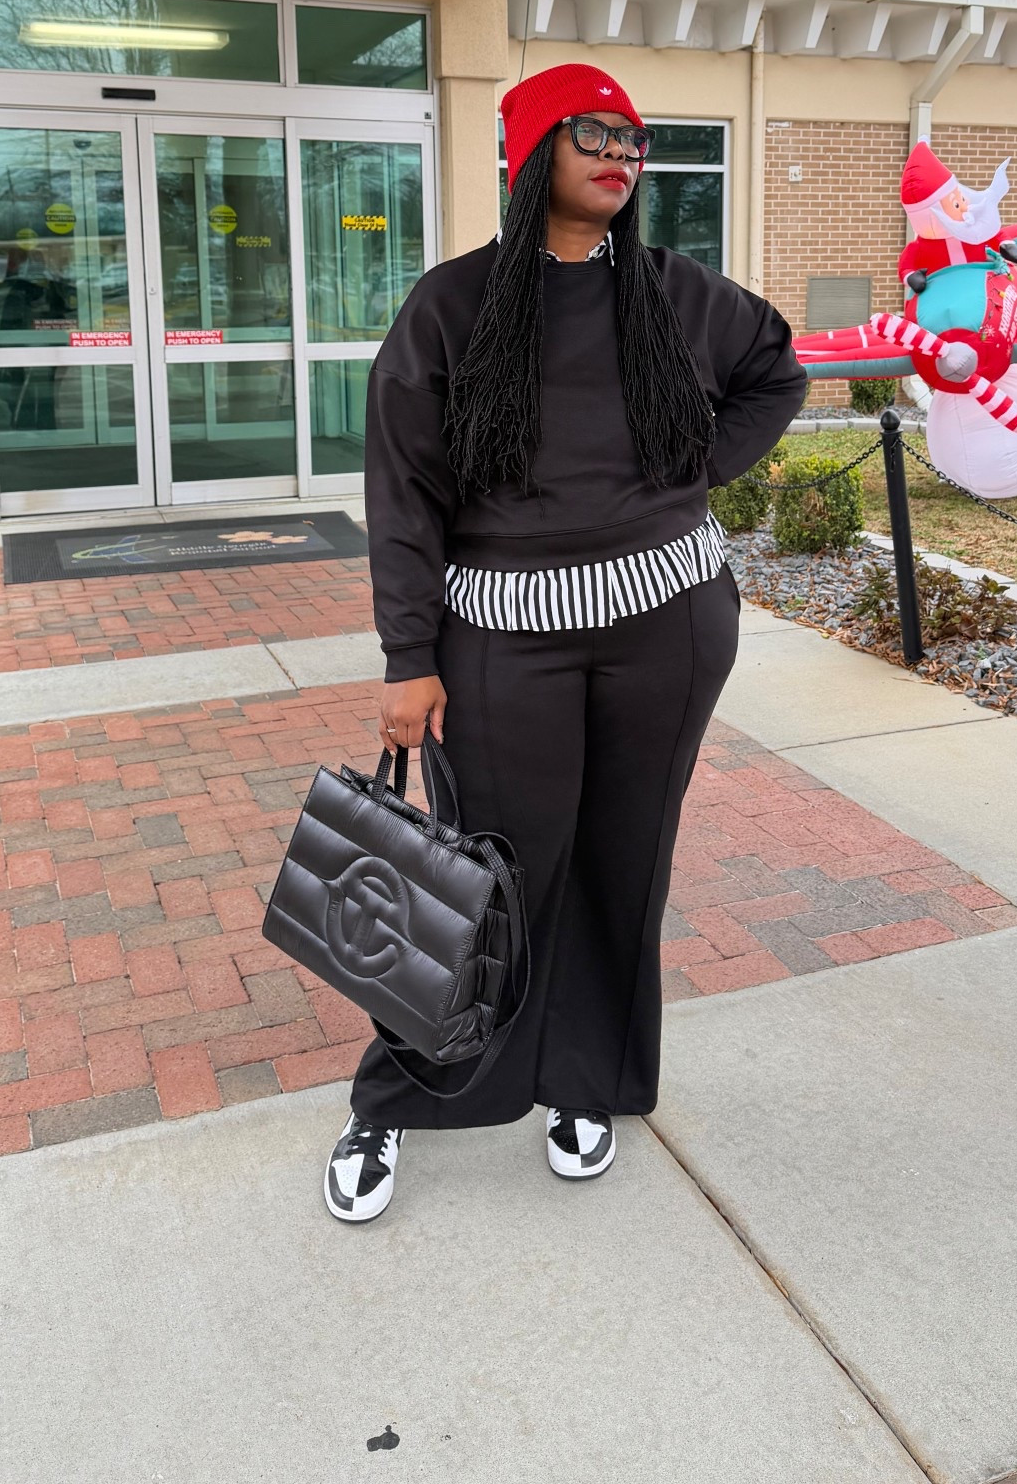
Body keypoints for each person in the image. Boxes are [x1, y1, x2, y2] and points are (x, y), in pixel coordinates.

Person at [324, 61, 808, 1222]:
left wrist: (692, 474)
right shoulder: (453, 305)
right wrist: (408, 654)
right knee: (485, 877)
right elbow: (405, 492)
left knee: (621, 865)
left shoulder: (681, 292)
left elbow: (774, 370)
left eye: (635, 139)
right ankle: (402, 1097)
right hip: (504, 637)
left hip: (667, 623)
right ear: (532, 148)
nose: (621, 153)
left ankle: (585, 1081)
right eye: (593, 133)